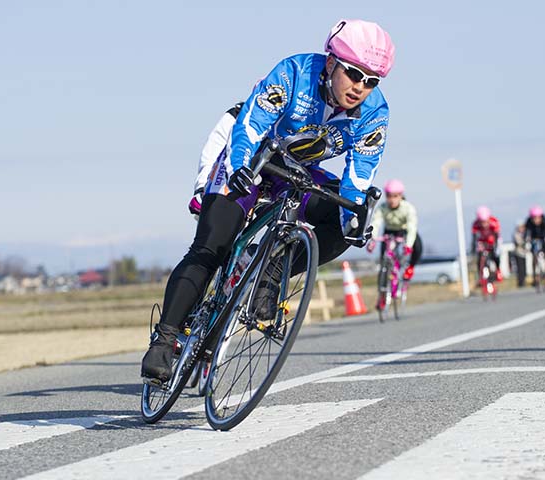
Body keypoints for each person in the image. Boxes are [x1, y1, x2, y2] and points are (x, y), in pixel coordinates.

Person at [141, 19, 396, 384]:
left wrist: (352, 217)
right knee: (212, 245)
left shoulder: (375, 112)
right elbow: (251, 124)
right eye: (354, 74)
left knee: (346, 221)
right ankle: (164, 340)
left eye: (371, 81)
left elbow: (359, 174)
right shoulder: (294, 72)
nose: (360, 87)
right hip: (251, 156)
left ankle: (272, 271)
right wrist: (240, 167)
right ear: (331, 63)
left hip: (295, 171)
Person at [366, 179, 422, 280]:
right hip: (389, 232)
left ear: (401, 196)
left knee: (417, 246)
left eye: (395, 196)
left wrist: (409, 245)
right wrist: (372, 239)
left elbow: (411, 227)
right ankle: (383, 283)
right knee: (384, 257)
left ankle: (410, 267)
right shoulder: (382, 208)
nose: (392, 200)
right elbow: (376, 223)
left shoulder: (408, 208)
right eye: (389, 196)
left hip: (404, 231)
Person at [471, 206, 502, 284]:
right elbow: (474, 238)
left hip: (493, 239)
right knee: (480, 258)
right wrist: (474, 248)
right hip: (482, 241)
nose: (484, 224)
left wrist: (495, 246)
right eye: (482, 222)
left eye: (485, 222)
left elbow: (496, 235)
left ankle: (498, 270)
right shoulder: (475, 224)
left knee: (496, 255)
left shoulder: (494, 221)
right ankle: (481, 276)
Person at [524, 205, 545, 284]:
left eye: (538, 218)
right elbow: (526, 233)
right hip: (534, 239)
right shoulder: (528, 221)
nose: (536, 220)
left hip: (543, 237)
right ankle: (535, 276)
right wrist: (526, 241)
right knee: (534, 256)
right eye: (534, 218)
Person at [511, 221, 527, 287]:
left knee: (524, 268)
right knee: (520, 269)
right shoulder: (516, 234)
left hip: (524, 253)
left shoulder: (524, 234)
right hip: (518, 253)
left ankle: (523, 281)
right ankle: (520, 282)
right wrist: (524, 241)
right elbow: (519, 243)